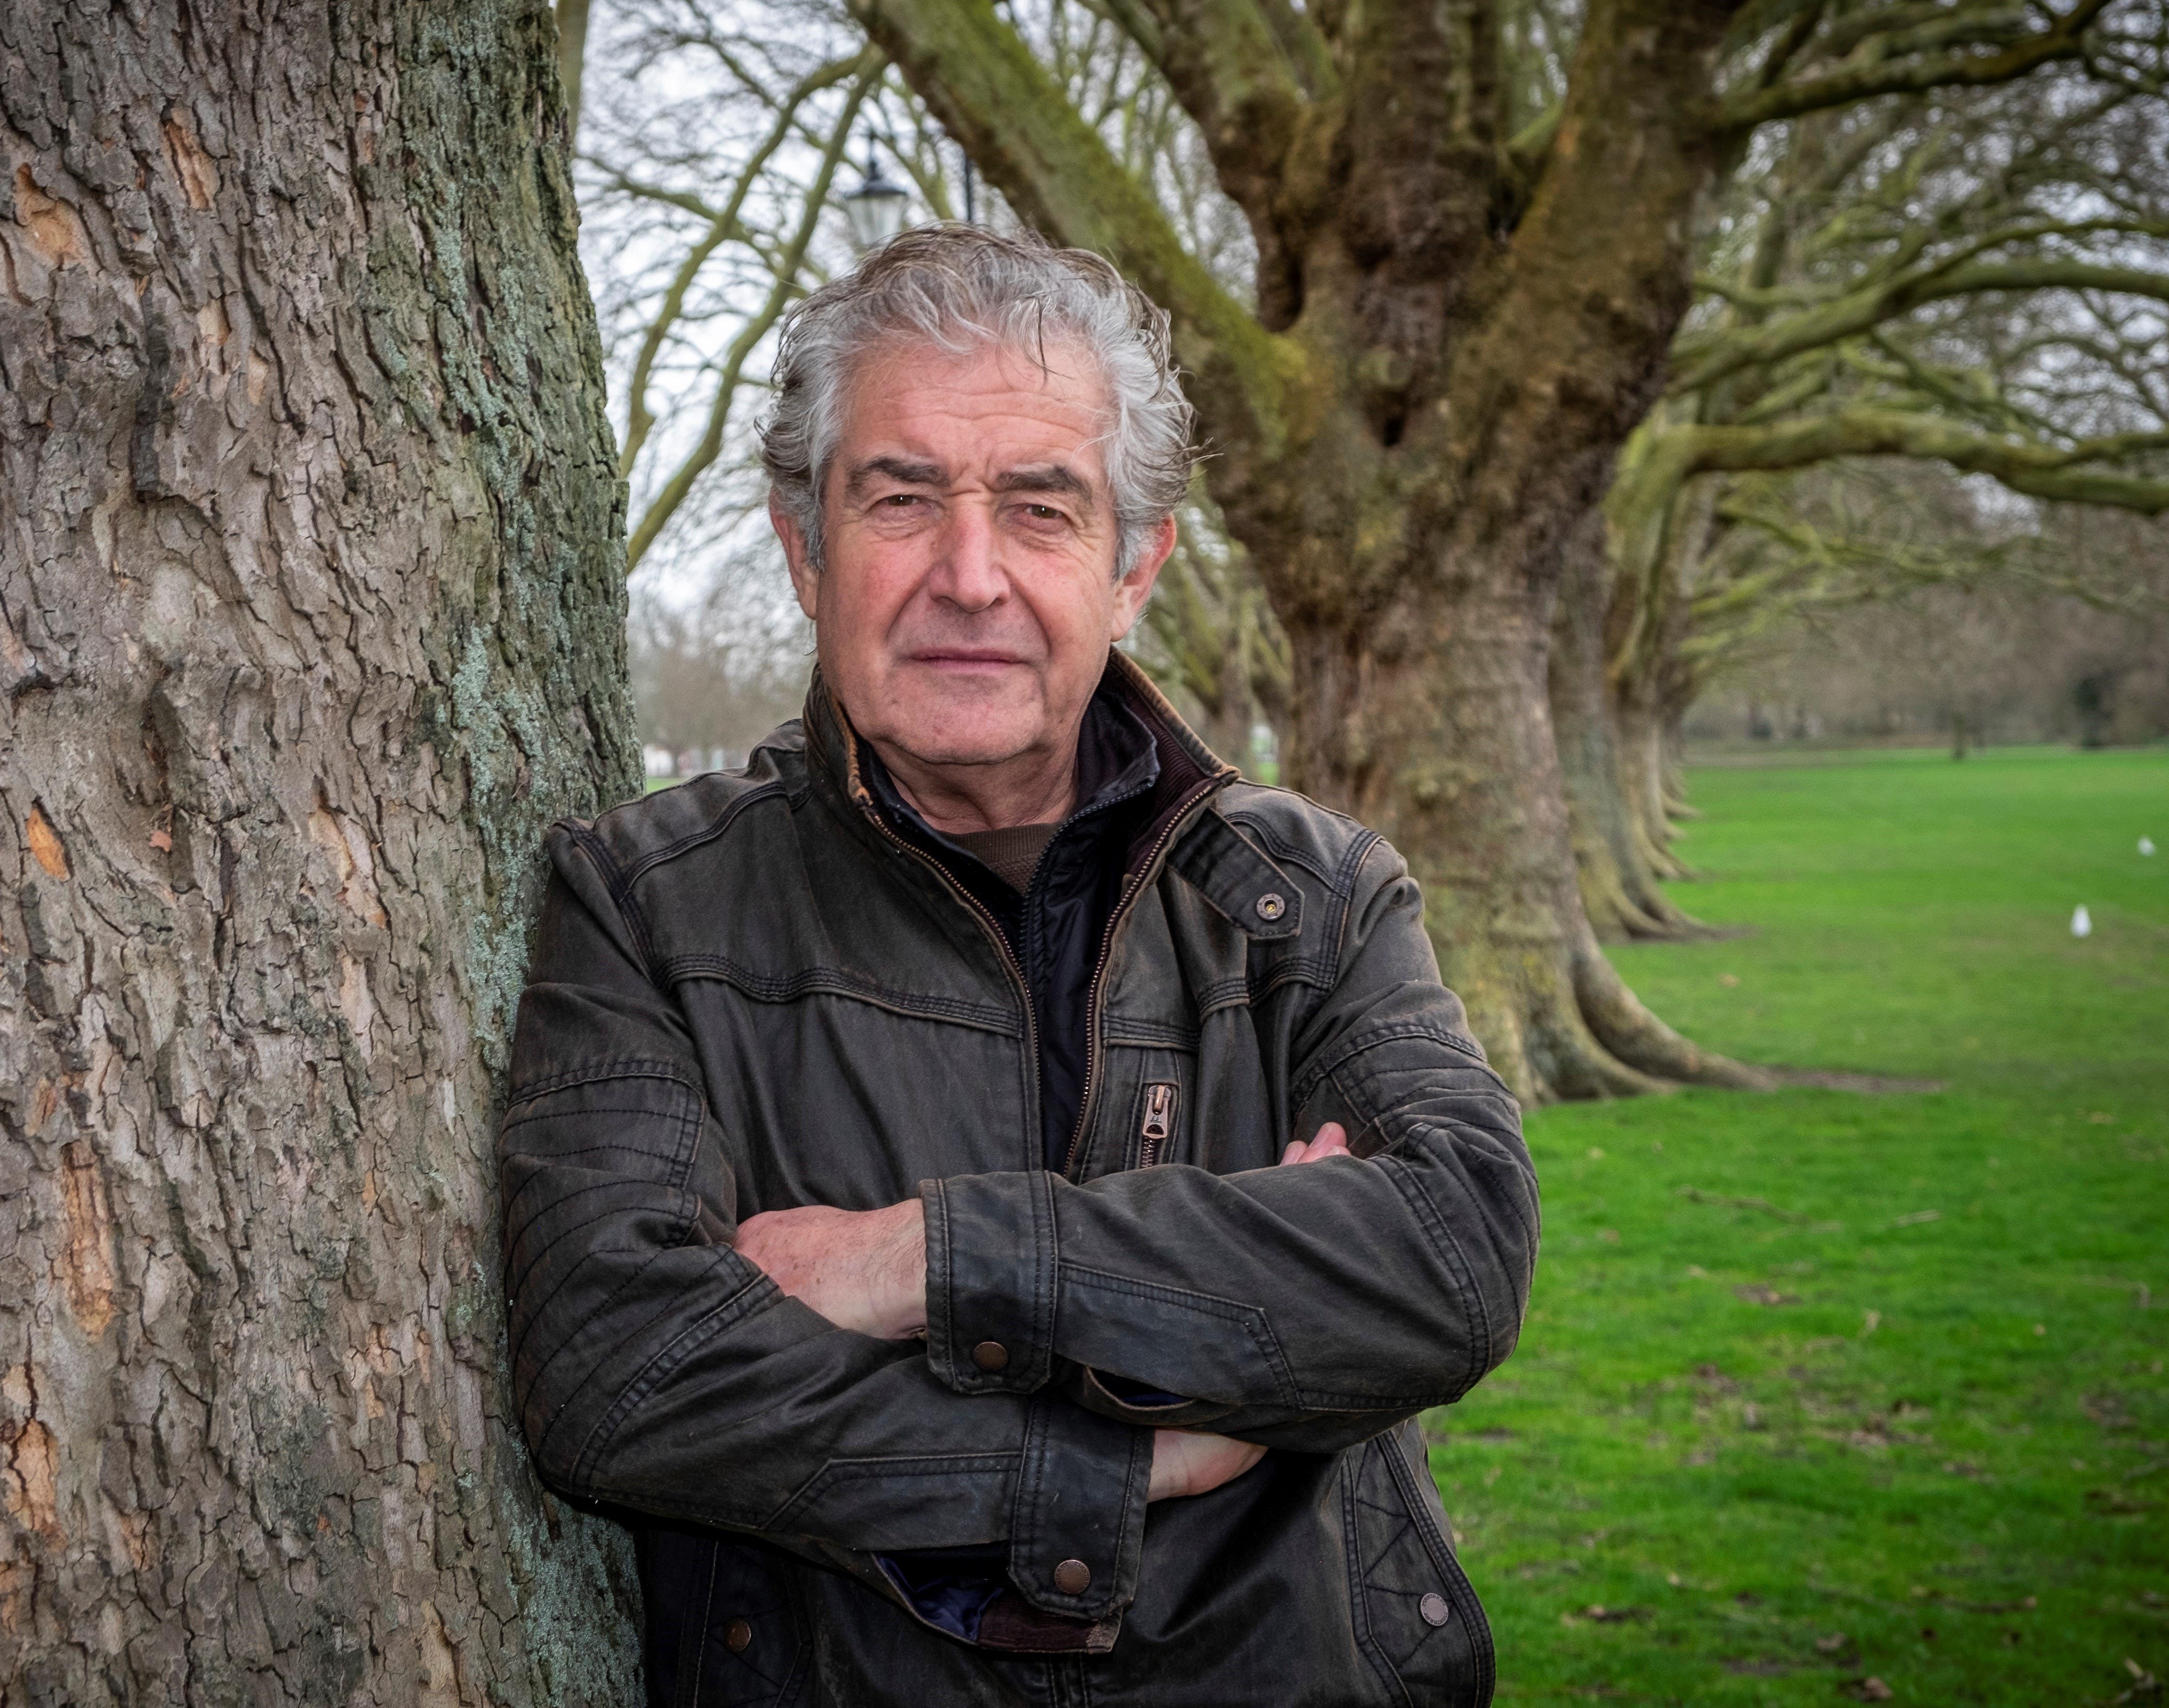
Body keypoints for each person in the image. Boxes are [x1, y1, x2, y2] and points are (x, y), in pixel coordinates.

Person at [501, 226, 1537, 1707]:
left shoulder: (1308, 901)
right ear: (806, 551)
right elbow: (625, 1370)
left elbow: (1449, 1257)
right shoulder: (651, 906)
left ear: (1134, 570)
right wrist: (1140, 1442)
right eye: (902, 498)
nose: (970, 575)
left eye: (1040, 509)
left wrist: (913, 1262)